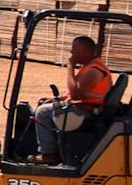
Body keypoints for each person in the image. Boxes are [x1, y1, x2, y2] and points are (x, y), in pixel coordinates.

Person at [31, 35, 114, 165]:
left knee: (42, 112)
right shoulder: (90, 66)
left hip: (87, 112)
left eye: (74, 49)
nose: (71, 52)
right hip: (84, 108)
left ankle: (49, 154)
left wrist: (70, 67)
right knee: (45, 105)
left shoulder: (94, 70)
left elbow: (75, 93)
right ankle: (54, 150)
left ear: (86, 51)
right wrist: (56, 99)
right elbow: (74, 93)